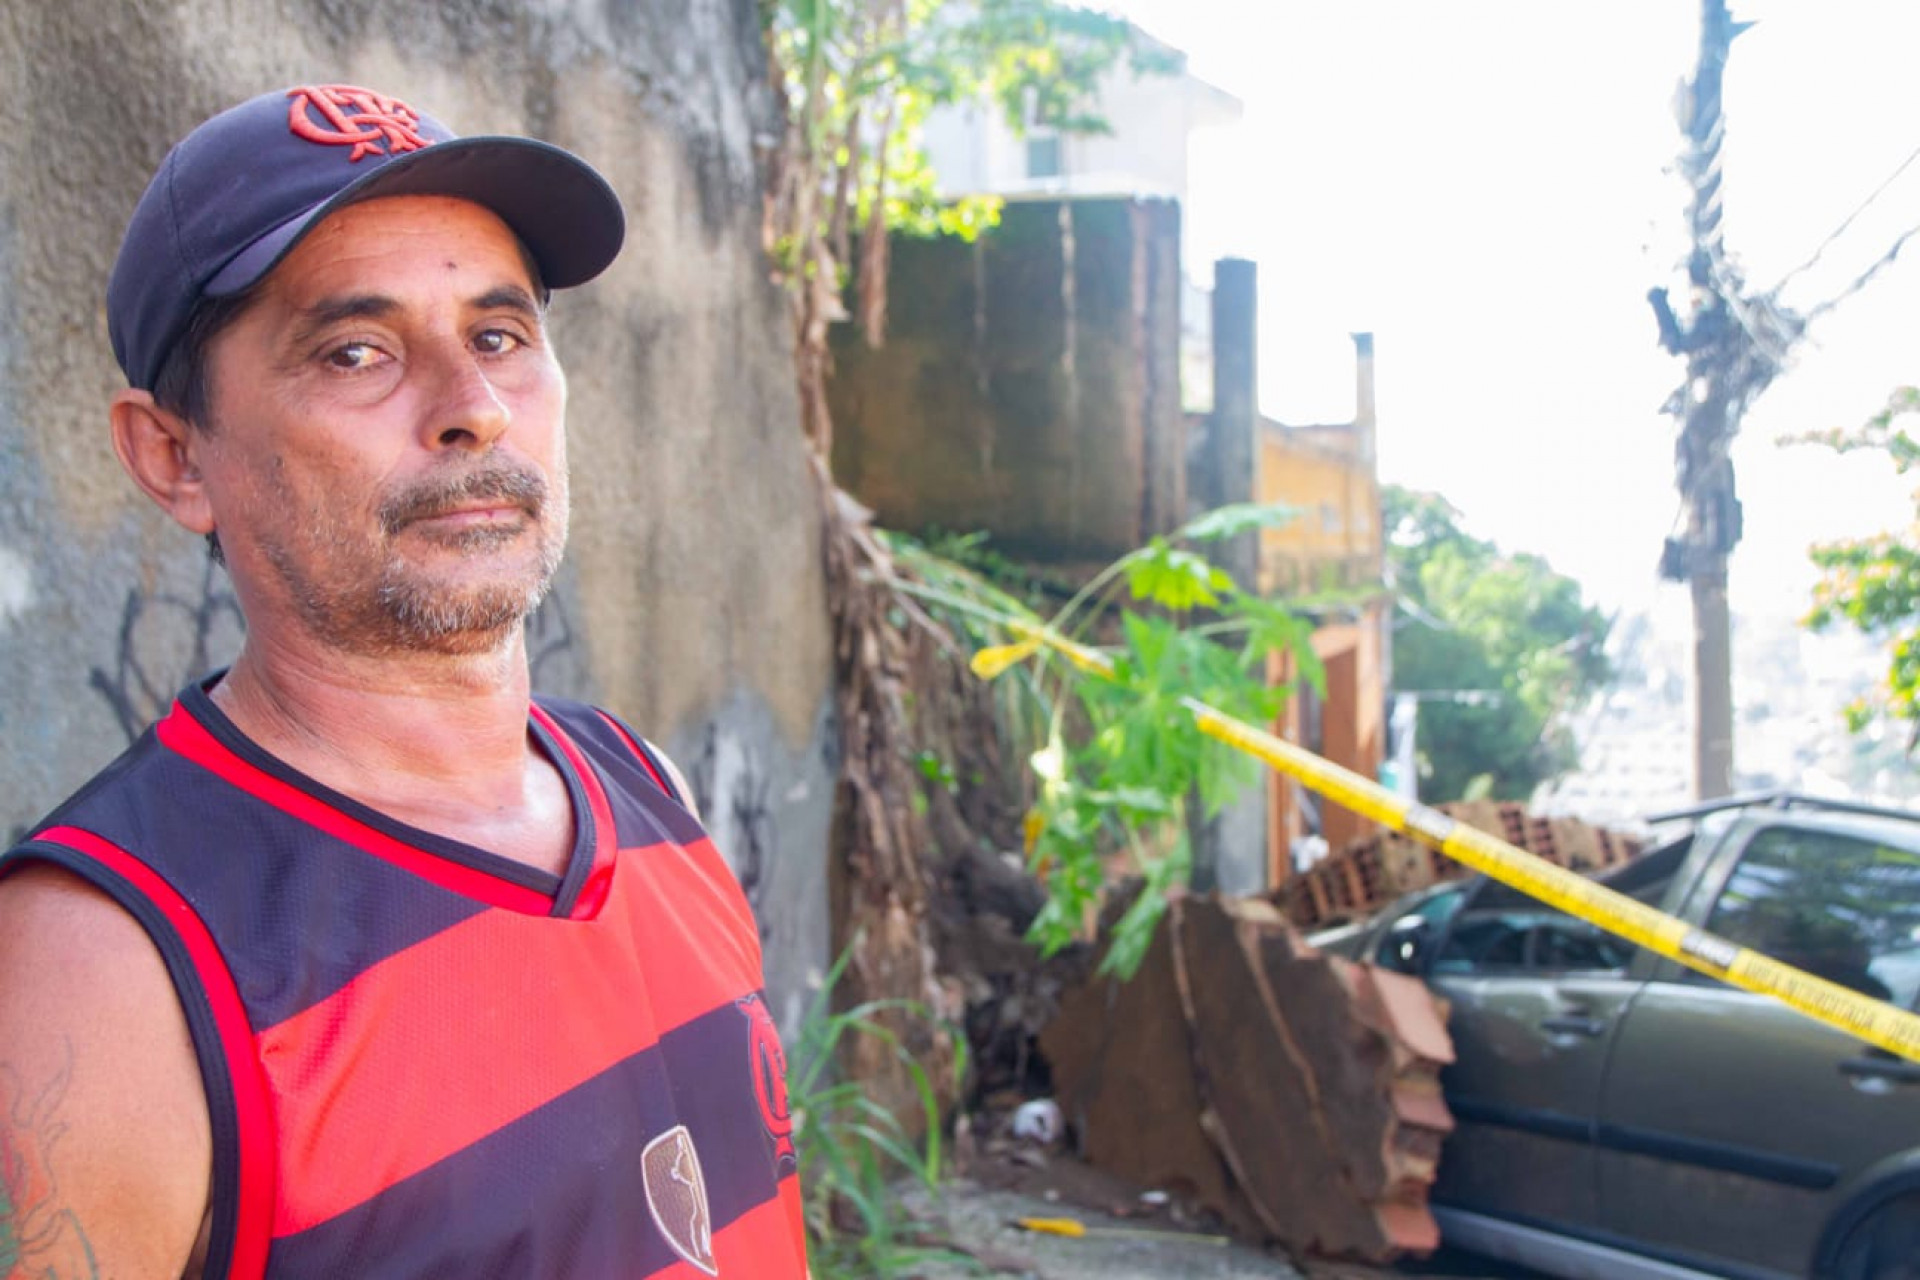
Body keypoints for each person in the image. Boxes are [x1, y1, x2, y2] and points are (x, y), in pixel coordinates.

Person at [0, 84, 806, 1279]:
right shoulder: (104, 970)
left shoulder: (648, 789)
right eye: (358, 351)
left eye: (499, 334)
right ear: (175, 455)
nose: (474, 408)